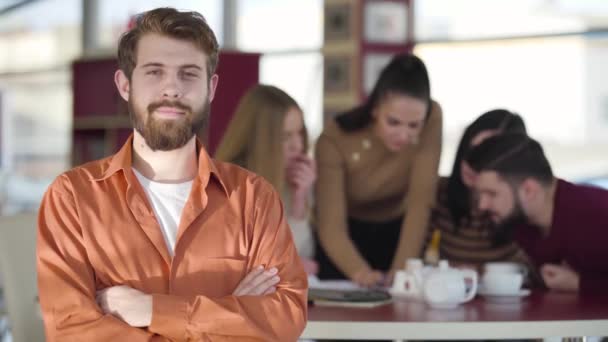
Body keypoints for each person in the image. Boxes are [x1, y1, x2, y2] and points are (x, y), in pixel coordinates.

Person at [36, 8, 307, 341]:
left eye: (189, 74)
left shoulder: (254, 199)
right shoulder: (72, 199)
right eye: (154, 72)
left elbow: (285, 317)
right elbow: (71, 331)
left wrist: (151, 311)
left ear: (211, 87)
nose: (172, 89)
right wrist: (231, 313)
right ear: (125, 84)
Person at [315, 53, 443, 287]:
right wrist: (360, 273)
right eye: (393, 122)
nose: (404, 135)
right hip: (344, 237)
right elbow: (331, 225)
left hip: (398, 230)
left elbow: (421, 201)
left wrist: (402, 270)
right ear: (375, 109)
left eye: (414, 125)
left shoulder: (432, 117)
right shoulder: (335, 139)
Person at [466, 133, 608, 295]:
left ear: (529, 190)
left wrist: (580, 284)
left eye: (492, 194)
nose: (482, 205)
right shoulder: (521, 220)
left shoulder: (598, 214)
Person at [215, 84, 318, 275]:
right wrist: (284, 264)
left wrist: (299, 199)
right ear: (260, 139)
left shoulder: (296, 177)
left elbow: (304, 256)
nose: (298, 145)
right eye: (285, 136)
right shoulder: (228, 183)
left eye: (300, 133)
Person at [431, 109, 530, 268]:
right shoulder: (438, 193)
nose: (471, 163)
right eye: (470, 149)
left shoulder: (525, 208)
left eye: (487, 154)